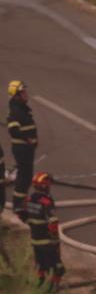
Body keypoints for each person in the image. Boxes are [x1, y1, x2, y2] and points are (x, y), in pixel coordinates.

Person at [25, 171, 64, 292]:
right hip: (47, 242)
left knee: (41, 267)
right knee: (58, 269)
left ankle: (40, 288)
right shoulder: (46, 202)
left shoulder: (29, 200)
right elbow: (52, 222)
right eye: (48, 184)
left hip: (35, 241)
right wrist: (55, 240)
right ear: (44, 186)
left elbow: (23, 216)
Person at [8, 80, 37, 217]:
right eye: (23, 92)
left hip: (27, 150)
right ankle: (18, 205)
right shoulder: (16, 111)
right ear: (17, 95)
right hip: (22, 149)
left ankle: (21, 203)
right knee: (23, 178)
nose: (26, 94)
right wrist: (28, 139)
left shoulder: (22, 108)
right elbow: (13, 130)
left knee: (26, 176)